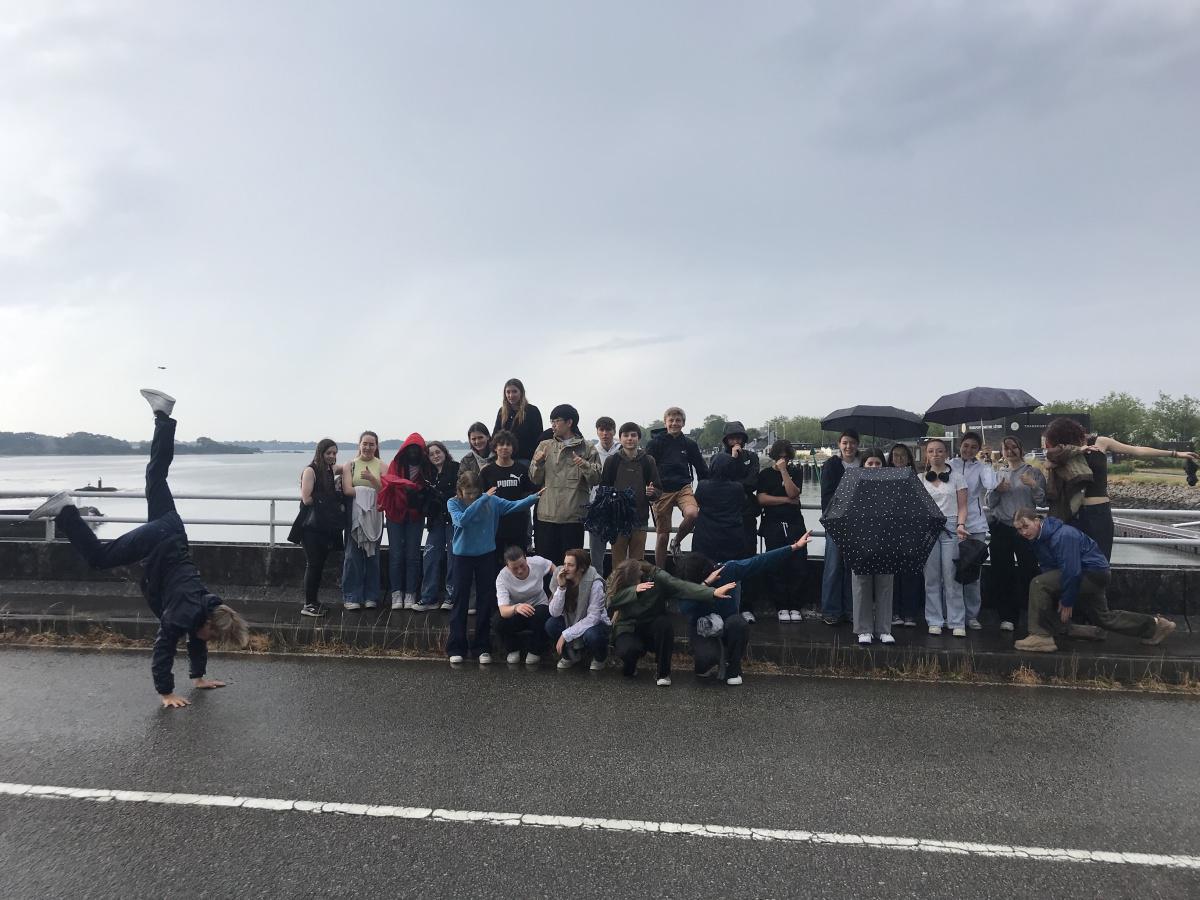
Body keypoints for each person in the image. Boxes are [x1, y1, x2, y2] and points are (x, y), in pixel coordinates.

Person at [28, 390, 249, 708]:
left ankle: (163, 416)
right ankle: (65, 510)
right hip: (159, 540)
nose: (210, 641)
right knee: (98, 557)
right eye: (213, 636)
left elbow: (196, 638)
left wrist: (198, 678)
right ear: (210, 624)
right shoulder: (185, 613)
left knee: (155, 477)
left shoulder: (205, 610)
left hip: (172, 530)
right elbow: (164, 647)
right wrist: (166, 693)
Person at [1012, 509, 1176, 652]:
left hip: (1091, 574)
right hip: (1091, 573)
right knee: (1103, 618)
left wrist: (1067, 600)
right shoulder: (1039, 539)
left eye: (1026, 526)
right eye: (1019, 529)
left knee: (1038, 583)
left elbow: (1072, 570)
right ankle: (1156, 626)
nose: (1023, 532)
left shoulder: (1063, 535)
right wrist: (1061, 592)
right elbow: (1051, 570)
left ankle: (1040, 636)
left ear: (1037, 520)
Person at [1041, 417, 1199, 561]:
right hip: (1073, 513)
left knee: (1100, 562)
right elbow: (1048, 464)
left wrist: (1176, 454)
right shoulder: (1063, 453)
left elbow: (1137, 450)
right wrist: (1073, 451)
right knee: (1073, 562)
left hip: (1099, 511)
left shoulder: (1100, 442)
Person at [675, 531, 811, 685]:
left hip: (728, 624)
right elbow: (685, 608)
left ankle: (733, 668)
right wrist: (705, 586)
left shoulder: (727, 570)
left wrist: (794, 547)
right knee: (704, 662)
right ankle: (708, 661)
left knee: (738, 624)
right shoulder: (689, 583)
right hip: (702, 629)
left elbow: (760, 561)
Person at [445, 472, 542, 664]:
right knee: (460, 600)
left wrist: (534, 497)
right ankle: (456, 647)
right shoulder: (453, 502)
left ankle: (482, 647)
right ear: (460, 490)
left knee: (485, 601)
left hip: (486, 555)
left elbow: (514, 506)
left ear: (480, 490)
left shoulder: (492, 501)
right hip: (462, 557)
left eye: (475, 492)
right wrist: (481, 500)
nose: (471, 496)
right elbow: (462, 521)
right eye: (467, 492)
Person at [605, 557, 736, 686]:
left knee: (664, 625)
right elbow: (609, 602)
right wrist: (633, 590)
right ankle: (630, 667)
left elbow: (681, 587)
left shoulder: (656, 576)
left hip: (652, 622)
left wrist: (712, 592)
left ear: (642, 576)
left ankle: (663, 674)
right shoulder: (619, 576)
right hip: (628, 626)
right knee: (628, 650)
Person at [986, 436, 1046, 633]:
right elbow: (990, 502)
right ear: (1002, 451)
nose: (1010, 451)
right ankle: (1007, 617)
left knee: (1029, 571)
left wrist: (1032, 485)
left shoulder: (1033, 472)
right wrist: (998, 490)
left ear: (1021, 449)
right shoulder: (997, 473)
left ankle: (1031, 615)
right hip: (1002, 527)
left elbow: (1042, 501)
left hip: (1026, 530)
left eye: (1014, 447)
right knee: (1002, 572)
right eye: (1006, 448)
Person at [529, 404, 601, 565]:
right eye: (551, 421)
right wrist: (538, 463)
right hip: (546, 515)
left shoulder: (587, 447)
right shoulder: (544, 446)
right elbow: (534, 479)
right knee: (547, 565)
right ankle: (548, 592)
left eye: (556, 421)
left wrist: (583, 464)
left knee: (572, 566)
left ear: (569, 422)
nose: (553, 425)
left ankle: (571, 592)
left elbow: (596, 479)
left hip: (573, 517)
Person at [646, 406, 709, 567]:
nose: (674, 423)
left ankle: (677, 541)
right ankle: (659, 572)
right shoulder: (655, 443)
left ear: (683, 423)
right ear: (665, 423)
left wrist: (708, 488)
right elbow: (647, 468)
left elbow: (701, 468)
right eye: (671, 420)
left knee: (693, 514)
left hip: (683, 487)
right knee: (662, 536)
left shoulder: (689, 444)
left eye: (678, 420)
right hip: (662, 490)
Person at [948, 431, 997, 631]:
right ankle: (953, 614)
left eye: (973, 447)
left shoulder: (982, 467)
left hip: (975, 525)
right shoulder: (950, 465)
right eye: (965, 445)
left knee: (972, 572)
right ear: (960, 446)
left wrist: (988, 463)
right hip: (951, 524)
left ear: (978, 450)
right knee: (951, 572)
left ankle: (971, 615)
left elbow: (991, 485)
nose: (968, 450)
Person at [921, 438, 969, 637]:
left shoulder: (958, 477)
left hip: (951, 526)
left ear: (946, 453)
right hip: (929, 528)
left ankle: (956, 620)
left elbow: (963, 506)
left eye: (939, 451)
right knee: (931, 577)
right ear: (927, 455)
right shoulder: (920, 478)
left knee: (952, 577)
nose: (935, 454)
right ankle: (934, 620)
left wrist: (960, 524)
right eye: (931, 451)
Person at [756, 439, 808, 622]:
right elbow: (761, 499)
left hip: (795, 524)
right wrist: (785, 500)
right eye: (779, 457)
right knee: (775, 565)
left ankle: (795, 606)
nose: (782, 460)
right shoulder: (765, 475)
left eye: (786, 457)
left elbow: (794, 493)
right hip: (772, 524)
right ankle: (780, 606)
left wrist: (785, 471)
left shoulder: (796, 471)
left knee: (798, 565)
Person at [380, 433, 432, 611]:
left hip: (415, 515)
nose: (413, 452)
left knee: (412, 555)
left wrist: (416, 491)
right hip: (395, 513)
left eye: (417, 449)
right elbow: (389, 481)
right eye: (410, 449)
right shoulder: (396, 464)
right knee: (396, 555)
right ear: (404, 450)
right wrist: (409, 487)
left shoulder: (427, 467)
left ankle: (410, 592)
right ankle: (396, 592)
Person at [599, 422, 661, 569]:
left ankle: (636, 591)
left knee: (637, 562)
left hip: (640, 519)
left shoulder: (648, 461)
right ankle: (617, 591)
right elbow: (604, 489)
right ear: (620, 439)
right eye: (625, 435)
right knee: (618, 563)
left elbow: (658, 489)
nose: (629, 439)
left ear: (638, 438)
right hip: (617, 520)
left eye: (633, 435)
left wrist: (652, 493)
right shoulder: (612, 461)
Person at [295, 438, 345, 617]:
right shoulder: (311, 470)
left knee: (319, 565)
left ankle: (314, 602)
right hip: (310, 527)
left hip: (323, 526)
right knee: (313, 564)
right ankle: (308, 604)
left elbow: (347, 467)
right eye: (328, 453)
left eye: (334, 453)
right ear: (320, 453)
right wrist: (331, 497)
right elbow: (306, 498)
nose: (332, 456)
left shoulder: (330, 469)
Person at [850, 449, 895, 645]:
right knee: (861, 584)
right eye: (870, 463)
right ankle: (863, 629)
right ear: (863, 465)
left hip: (886, 538)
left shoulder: (893, 486)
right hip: (861, 539)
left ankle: (884, 629)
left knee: (885, 584)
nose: (874, 467)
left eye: (878, 463)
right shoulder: (853, 485)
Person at [719, 421, 763, 618]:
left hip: (746, 515)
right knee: (726, 560)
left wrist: (735, 485)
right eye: (731, 438)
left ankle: (747, 606)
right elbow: (719, 480)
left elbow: (752, 482)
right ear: (726, 440)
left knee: (748, 559)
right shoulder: (720, 458)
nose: (735, 441)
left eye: (738, 438)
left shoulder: (752, 457)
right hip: (726, 515)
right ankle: (726, 603)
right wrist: (733, 460)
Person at [341, 430, 385, 611]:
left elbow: (384, 490)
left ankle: (371, 596)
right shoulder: (350, 465)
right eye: (364, 444)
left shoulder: (382, 465)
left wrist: (372, 480)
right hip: (355, 516)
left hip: (374, 516)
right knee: (352, 556)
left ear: (376, 446)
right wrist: (366, 488)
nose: (367, 447)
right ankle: (352, 596)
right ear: (359, 445)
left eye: (371, 444)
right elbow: (347, 490)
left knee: (372, 557)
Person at [819, 429, 860, 625]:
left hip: (859, 523)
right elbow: (826, 495)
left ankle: (852, 609)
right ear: (839, 445)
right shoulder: (831, 465)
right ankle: (831, 610)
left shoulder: (864, 463)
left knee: (853, 568)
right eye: (845, 443)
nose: (848, 446)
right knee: (833, 566)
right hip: (835, 522)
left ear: (857, 445)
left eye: (852, 442)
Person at [546, 548, 610, 670]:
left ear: (581, 568)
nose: (565, 568)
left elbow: (593, 618)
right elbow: (554, 612)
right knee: (551, 624)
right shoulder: (561, 577)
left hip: (595, 623)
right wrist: (561, 587)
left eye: (570, 565)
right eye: (564, 564)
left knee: (592, 635)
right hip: (570, 619)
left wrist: (566, 634)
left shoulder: (595, 583)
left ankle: (600, 658)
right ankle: (569, 656)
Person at [479, 430, 537, 566]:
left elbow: (529, 493)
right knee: (495, 563)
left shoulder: (521, 469)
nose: (504, 447)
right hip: (495, 526)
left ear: (513, 448)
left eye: (508, 444)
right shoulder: (487, 471)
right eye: (500, 445)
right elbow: (480, 498)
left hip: (518, 524)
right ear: (495, 448)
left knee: (519, 562)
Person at [495, 546, 556, 665]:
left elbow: (554, 569)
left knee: (544, 615)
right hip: (516, 611)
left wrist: (555, 592)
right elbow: (503, 610)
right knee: (498, 621)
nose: (520, 571)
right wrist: (516, 608)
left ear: (526, 559)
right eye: (514, 568)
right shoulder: (502, 577)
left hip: (538, 606)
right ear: (507, 567)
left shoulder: (537, 562)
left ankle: (535, 650)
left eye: (522, 565)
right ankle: (512, 649)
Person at [886, 442, 923, 628]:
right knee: (893, 575)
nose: (899, 459)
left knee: (910, 573)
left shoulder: (916, 478)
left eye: (902, 455)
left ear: (909, 458)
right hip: (890, 532)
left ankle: (910, 613)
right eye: (895, 455)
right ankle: (894, 612)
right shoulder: (883, 478)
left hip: (910, 531)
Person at [692, 453, 747, 571]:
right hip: (731, 537)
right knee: (731, 573)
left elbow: (697, 502)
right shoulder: (737, 488)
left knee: (704, 572)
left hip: (705, 537)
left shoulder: (703, 486)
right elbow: (742, 504)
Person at [421, 441, 458, 612]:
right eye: (431, 454)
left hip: (453, 520)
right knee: (430, 557)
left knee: (453, 558)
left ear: (444, 452)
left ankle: (451, 598)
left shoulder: (456, 468)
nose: (435, 456)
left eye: (438, 452)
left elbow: (462, 493)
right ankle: (429, 598)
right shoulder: (428, 475)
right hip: (436, 521)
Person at [587, 416, 621, 576]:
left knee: (620, 553)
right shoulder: (591, 451)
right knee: (596, 554)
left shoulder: (623, 450)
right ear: (597, 432)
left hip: (619, 506)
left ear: (614, 431)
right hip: (596, 506)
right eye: (602, 430)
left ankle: (620, 589)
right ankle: (597, 590)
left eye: (608, 430)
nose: (605, 433)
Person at [493, 378, 544, 467]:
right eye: (508, 392)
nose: (511, 395)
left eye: (514, 391)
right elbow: (495, 436)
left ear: (521, 392)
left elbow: (539, 437)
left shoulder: (532, 411)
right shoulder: (502, 412)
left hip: (525, 459)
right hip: (504, 458)